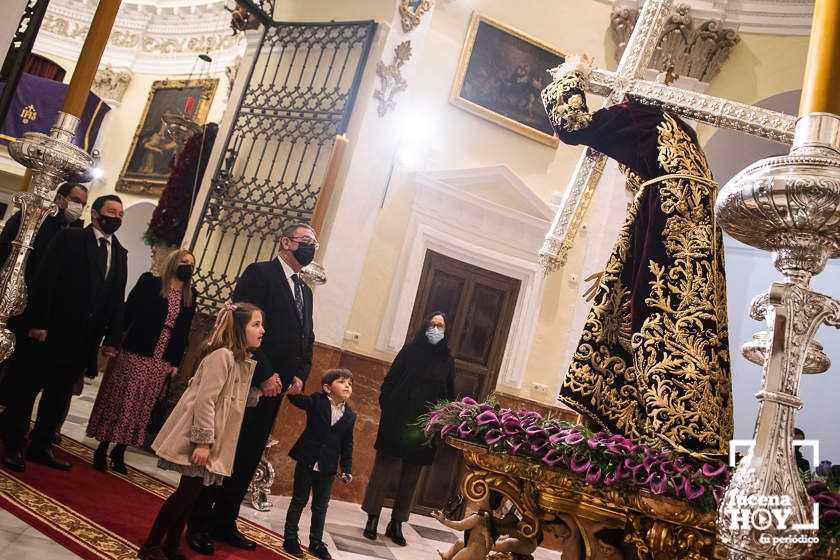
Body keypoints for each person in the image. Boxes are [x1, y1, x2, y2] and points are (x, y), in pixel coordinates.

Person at [540, 55, 732, 459]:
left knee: (642, 316)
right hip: (696, 239)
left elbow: (573, 125)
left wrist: (572, 74)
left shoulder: (639, 118)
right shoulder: (685, 137)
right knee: (682, 326)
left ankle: (646, 435)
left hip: (662, 225)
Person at [187, 222, 317, 554]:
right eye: (305, 241)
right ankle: (199, 522)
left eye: (314, 243)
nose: (311, 247)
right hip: (250, 382)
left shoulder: (304, 289)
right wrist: (266, 374)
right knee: (226, 452)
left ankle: (225, 521)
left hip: (279, 389)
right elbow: (244, 325)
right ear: (285, 242)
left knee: (247, 456)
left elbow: (307, 336)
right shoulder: (259, 274)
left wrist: (300, 374)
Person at [1, 194, 127, 472]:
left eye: (120, 214)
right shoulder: (71, 238)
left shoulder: (119, 252)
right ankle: (12, 443)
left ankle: (40, 445)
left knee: (59, 394)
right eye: (111, 211)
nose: (116, 217)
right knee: (27, 388)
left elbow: (116, 299)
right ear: (95, 214)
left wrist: (111, 340)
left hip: (84, 339)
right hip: (52, 330)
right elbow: (46, 278)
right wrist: (38, 323)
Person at [139, 302, 263, 560]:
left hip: (213, 440)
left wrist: (262, 392)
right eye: (256, 324)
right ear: (240, 328)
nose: (262, 330)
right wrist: (203, 442)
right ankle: (151, 546)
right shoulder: (223, 356)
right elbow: (206, 400)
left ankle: (171, 545)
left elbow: (234, 400)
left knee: (192, 496)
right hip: (200, 437)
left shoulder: (239, 360)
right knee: (185, 495)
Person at [86, 249, 198, 473]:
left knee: (142, 405)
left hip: (162, 357)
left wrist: (175, 362)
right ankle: (103, 446)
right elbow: (129, 311)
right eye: (184, 262)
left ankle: (120, 450)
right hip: (138, 350)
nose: (187, 266)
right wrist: (114, 341)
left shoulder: (190, 295)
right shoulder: (150, 283)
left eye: (191, 264)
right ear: (174, 262)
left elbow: (183, 330)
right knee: (122, 399)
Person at [0, 182, 88, 466]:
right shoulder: (33, 221)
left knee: (26, 384)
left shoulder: (76, 234)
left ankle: (18, 436)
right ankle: (12, 437)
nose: (78, 207)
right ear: (60, 198)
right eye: (75, 200)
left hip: (46, 322)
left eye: (83, 203)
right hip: (16, 309)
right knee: (17, 382)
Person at [361, 311, 455, 545]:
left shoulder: (447, 359)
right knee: (383, 470)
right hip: (397, 419)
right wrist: (388, 404)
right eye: (433, 324)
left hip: (423, 427)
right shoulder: (409, 351)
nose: (436, 329)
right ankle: (372, 518)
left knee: (411, 476)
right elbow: (390, 380)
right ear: (425, 326)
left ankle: (397, 523)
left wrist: (441, 420)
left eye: (440, 326)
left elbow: (448, 394)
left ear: (445, 331)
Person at [282, 368, 356, 560]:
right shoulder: (317, 400)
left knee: (321, 506)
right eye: (342, 382)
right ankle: (290, 538)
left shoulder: (350, 415)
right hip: (307, 459)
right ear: (327, 387)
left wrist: (346, 468)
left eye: (350, 383)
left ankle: (316, 542)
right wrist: (292, 387)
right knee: (299, 500)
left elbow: (347, 444)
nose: (347, 385)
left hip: (328, 467)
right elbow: (298, 400)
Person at [432, 509, 498, 560]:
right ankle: (445, 557)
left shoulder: (478, 517)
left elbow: (460, 526)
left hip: (473, 551)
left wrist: (443, 520)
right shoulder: (490, 516)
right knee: (459, 543)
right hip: (480, 551)